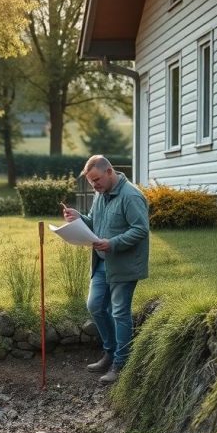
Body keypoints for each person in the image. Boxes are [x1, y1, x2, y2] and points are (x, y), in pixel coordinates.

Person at [61, 155, 150, 383]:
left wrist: (113, 243)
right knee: (95, 306)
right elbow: (95, 222)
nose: (94, 185)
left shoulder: (131, 196)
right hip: (101, 261)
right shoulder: (100, 194)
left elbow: (140, 230)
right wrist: (79, 218)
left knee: (119, 312)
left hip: (124, 264)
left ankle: (121, 363)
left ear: (110, 171)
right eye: (91, 182)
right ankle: (110, 353)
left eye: (97, 180)